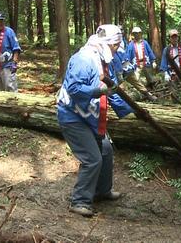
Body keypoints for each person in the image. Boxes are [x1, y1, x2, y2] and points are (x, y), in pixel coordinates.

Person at [57, 24, 134, 217]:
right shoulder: (83, 59)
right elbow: (75, 90)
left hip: (89, 116)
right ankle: (80, 201)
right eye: (116, 45)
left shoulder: (103, 60)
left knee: (106, 150)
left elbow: (112, 90)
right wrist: (98, 91)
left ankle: (102, 191)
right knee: (92, 159)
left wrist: (130, 110)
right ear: (108, 43)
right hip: (72, 116)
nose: (118, 49)